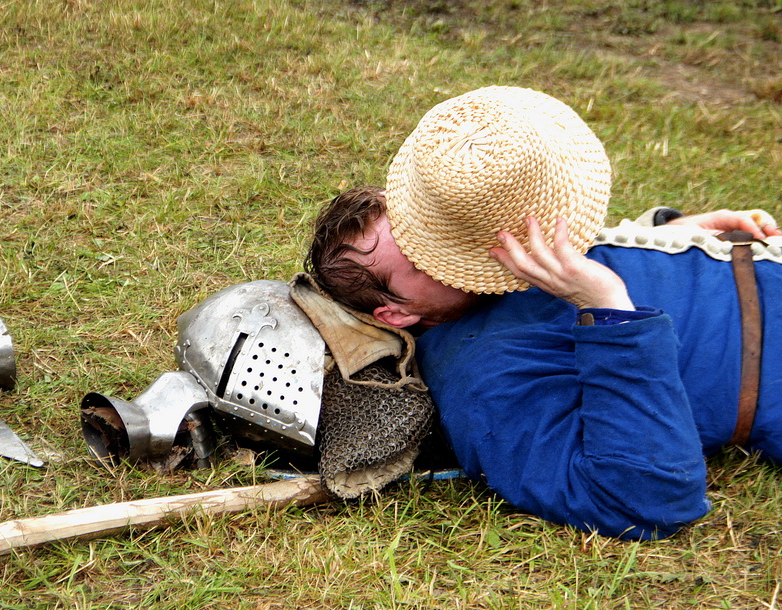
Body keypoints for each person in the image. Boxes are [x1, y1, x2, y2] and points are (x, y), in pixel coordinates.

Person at [306, 86, 782, 540]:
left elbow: (581, 254)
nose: (449, 248)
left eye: (429, 228)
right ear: (395, 314)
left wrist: (673, 236)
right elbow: (643, 498)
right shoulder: (481, 378)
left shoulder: (486, 277)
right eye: (418, 257)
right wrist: (607, 308)